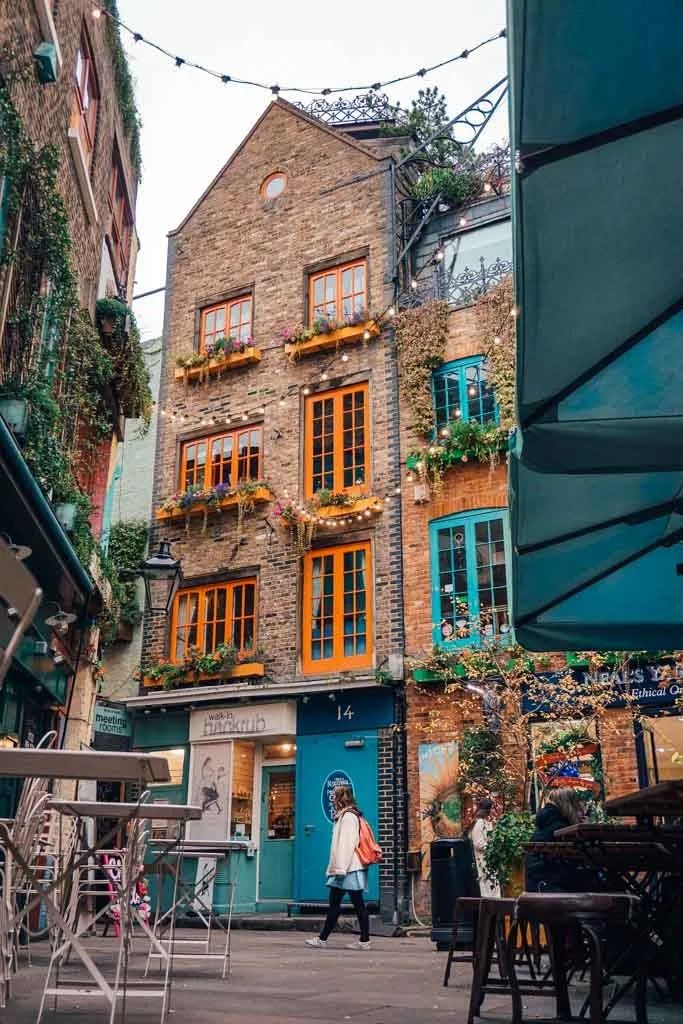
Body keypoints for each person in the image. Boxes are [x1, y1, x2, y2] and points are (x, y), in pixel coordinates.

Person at [306, 785, 371, 951]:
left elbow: (346, 845)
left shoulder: (348, 817)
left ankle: (360, 941)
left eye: (335, 796)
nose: (333, 800)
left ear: (341, 798)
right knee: (350, 904)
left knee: (346, 904)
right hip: (348, 867)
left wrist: (339, 869)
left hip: (348, 868)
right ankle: (361, 940)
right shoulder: (346, 815)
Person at [524, 787, 587, 893]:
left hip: (536, 886)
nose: (581, 808)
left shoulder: (548, 822)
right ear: (570, 805)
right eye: (578, 805)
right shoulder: (561, 828)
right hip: (551, 887)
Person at [468, 797, 501, 898]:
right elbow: (478, 843)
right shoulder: (479, 823)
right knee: (487, 886)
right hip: (483, 860)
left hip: (489, 860)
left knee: (492, 884)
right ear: (487, 809)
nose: (492, 810)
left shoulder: (484, 822)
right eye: (491, 808)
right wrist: (491, 846)